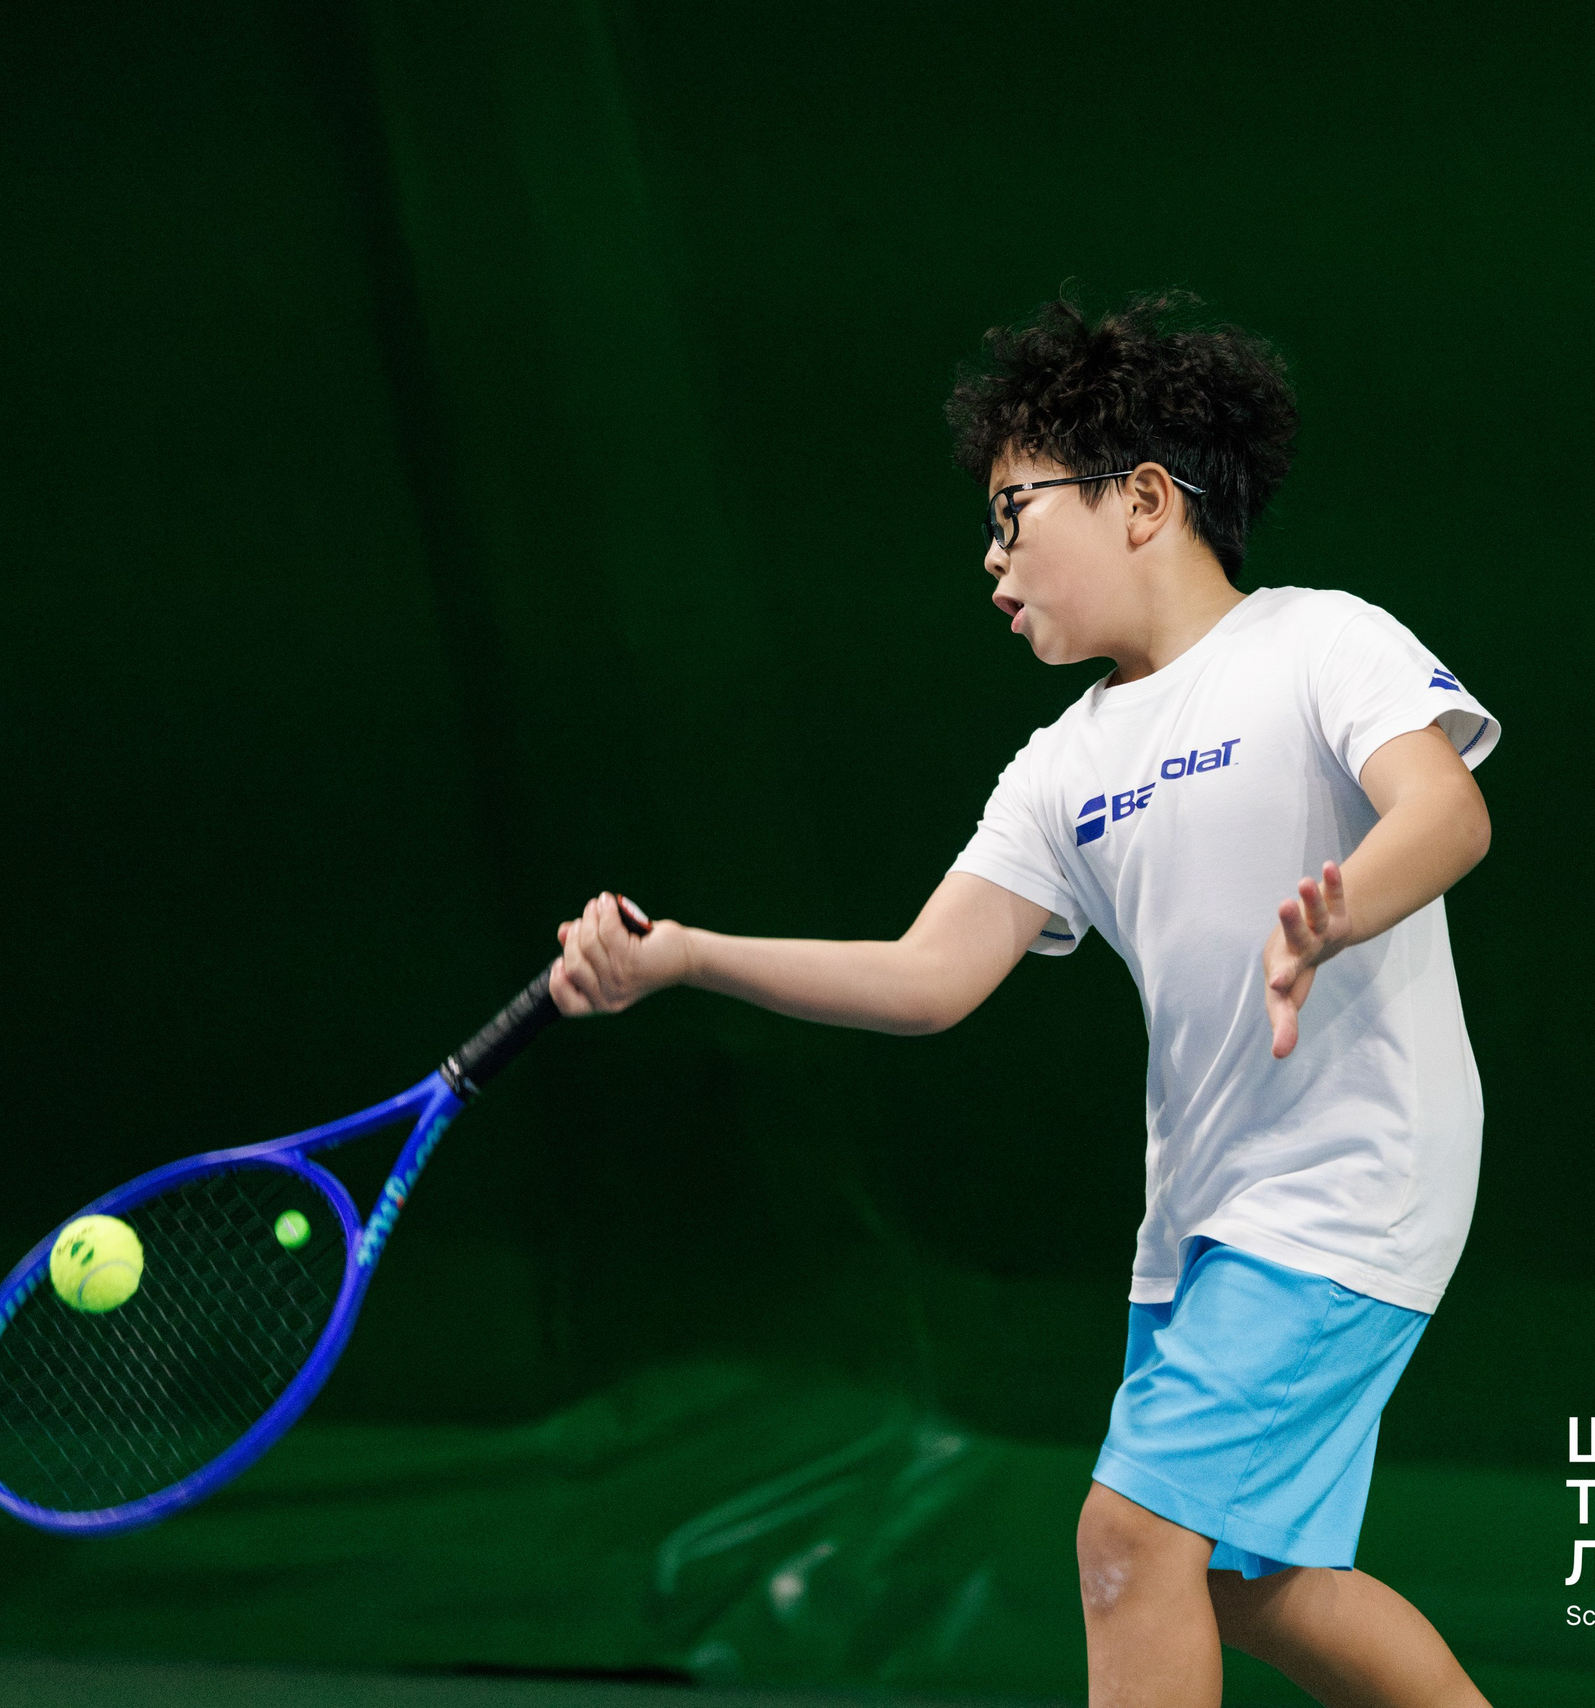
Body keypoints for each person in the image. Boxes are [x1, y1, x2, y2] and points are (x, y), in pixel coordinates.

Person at [550, 292, 1496, 1708]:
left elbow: (1448, 811)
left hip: (1357, 1175)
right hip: (1205, 1217)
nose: (992, 562)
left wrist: (1338, 909)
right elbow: (930, 979)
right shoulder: (1062, 764)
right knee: (1241, 1581)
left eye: (1014, 511)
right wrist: (688, 954)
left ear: (1144, 502)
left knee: (1127, 1539)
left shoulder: (1319, 641)